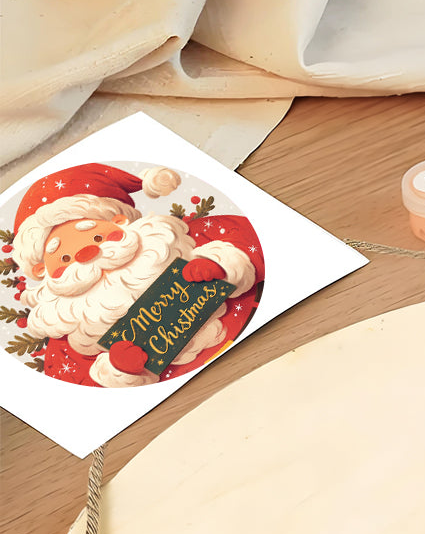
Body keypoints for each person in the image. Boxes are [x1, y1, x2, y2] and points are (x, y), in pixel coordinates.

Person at [11, 162, 265, 387]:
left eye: (97, 237)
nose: (87, 254)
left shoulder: (184, 240)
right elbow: (77, 388)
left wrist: (223, 264)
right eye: (65, 258)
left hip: (258, 337)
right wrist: (119, 371)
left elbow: (254, 239)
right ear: (42, 272)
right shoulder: (69, 340)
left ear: (120, 221)